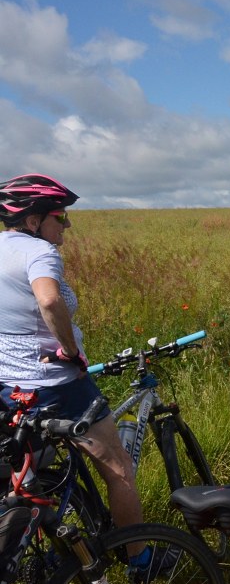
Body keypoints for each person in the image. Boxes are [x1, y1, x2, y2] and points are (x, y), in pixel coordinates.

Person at [0, 174, 151, 562]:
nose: (66, 224)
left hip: (10, 385)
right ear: (33, 221)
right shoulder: (39, 253)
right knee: (117, 469)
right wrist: (71, 352)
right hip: (57, 384)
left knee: (26, 475)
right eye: (60, 216)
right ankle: (139, 559)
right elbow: (49, 301)